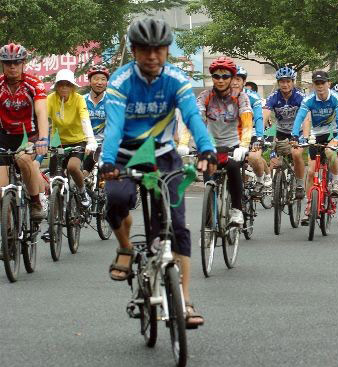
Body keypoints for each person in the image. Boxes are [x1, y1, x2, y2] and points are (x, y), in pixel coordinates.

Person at [101, 17, 216, 327]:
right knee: (115, 201)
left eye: (159, 50)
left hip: (163, 157)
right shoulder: (120, 81)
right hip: (124, 156)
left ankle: (186, 300)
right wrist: (108, 162)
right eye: (145, 50)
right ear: (134, 51)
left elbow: (192, 117)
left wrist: (207, 149)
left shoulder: (177, 80)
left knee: (177, 226)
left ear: (166, 51)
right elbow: (112, 128)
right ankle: (125, 249)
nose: (152, 56)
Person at [180, 56, 253, 225]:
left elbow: (247, 122)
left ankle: (236, 210)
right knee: (209, 175)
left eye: (225, 76)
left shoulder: (241, 97)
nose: (220, 80)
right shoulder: (205, 96)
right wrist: (184, 142)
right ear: (212, 77)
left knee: (234, 167)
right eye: (216, 76)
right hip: (210, 146)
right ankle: (209, 219)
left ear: (232, 78)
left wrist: (243, 145)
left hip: (233, 146)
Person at [0, 43, 49, 220]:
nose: (12, 66)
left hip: (30, 136)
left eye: (16, 62)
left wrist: (43, 138)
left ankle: (35, 201)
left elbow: (42, 112)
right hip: (5, 136)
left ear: (23, 63)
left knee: (22, 159)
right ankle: (8, 233)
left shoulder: (34, 84)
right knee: (1, 189)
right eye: (7, 63)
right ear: (2, 64)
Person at [292, 71, 338, 225]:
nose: (320, 86)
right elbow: (300, 118)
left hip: (334, 133)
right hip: (316, 135)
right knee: (310, 173)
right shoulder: (309, 100)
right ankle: (309, 206)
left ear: (328, 83)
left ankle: (336, 181)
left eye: (323, 83)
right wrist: (295, 135)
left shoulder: (336, 98)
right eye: (317, 83)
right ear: (314, 85)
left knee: (330, 152)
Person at [47, 69, 97, 207]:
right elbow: (42, 120)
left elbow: (85, 119)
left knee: (73, 167)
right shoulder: (50, 99)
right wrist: (41, 140)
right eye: (61, 84)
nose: (64, 87)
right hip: (58, 142)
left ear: (72, 86)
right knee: (54, 177)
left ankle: (82, 192)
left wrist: (91, 140)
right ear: (56, 86)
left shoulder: (79, 99)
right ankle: (58, 206)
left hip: (77, 141)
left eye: (67, 84)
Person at [263, 66, 306, 198]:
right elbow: (265, 114)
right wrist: (260, 132)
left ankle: (299, 184)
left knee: (296, 154)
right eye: (282, 81)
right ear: (278, 83)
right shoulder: (273, 97)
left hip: (298, 132)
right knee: (274, 160)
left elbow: (306, 116)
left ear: (293, 82)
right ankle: (273, 183)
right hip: (281, 132)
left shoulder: (300, 97)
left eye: (288, 81)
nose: (285, 84)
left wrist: (304, 135)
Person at [231, 66, 272, 193]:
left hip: (253, 132)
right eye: (232, 79)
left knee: (254, 157)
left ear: (243, 82)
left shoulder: (253, 97)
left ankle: (260, 180)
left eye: (238, 79)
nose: (235, 82)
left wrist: (260, 137)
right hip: (233, 134)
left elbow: (259, 117)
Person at [82, 65, 110, 176]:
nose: (99, 82)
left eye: (103, 79)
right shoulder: (81, 100)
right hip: (85, 143)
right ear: (89, 81)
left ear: (107, 82)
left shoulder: (111, 100)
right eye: (96, 79)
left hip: (105, 143)